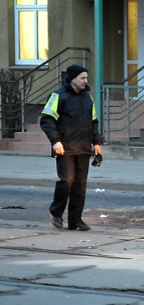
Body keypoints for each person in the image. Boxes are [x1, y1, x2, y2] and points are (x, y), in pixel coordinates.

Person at [40, 64, 103, 231]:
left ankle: (75, 220)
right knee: (67, 180)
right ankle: (56, 212)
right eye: (82, 78)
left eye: (86, 78)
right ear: (72, 78)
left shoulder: (87, 98)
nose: (85, 81)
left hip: (83, 147)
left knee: (80, 185)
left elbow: (94, 122)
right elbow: (46, 120)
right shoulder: (58, 96)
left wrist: (97, 142)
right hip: (64, 147)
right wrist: (55, 141)